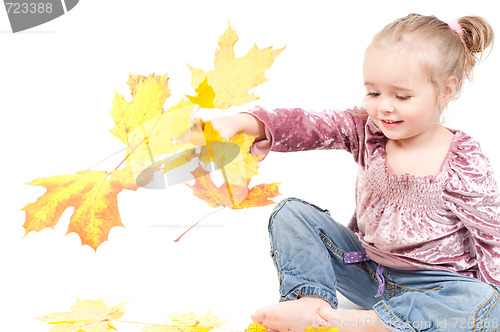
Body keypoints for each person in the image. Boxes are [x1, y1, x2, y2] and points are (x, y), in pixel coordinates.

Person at [210, 14, 499, 331]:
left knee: (483, 300)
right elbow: (312, 125)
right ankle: (311, 302)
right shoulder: (368, 131)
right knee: (291, 213)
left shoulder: (462, 160)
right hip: (367, 272)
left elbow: (492, 237)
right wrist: (244, 123)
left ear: (445, 91)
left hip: (437, 288)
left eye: (401, 96)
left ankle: (366, 323)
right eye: (374, 93)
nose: (384, 107)